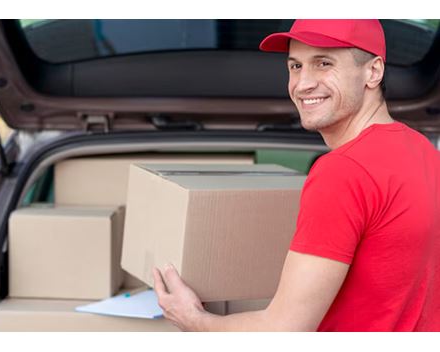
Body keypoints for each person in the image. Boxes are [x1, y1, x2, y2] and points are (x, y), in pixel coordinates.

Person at [152, 19, 440, 331]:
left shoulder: (343, 172)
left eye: (323, 63)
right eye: (295, 66)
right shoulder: (424, 151)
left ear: (373, 72)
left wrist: (194, 319)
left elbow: (283, 331)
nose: (303, 83)